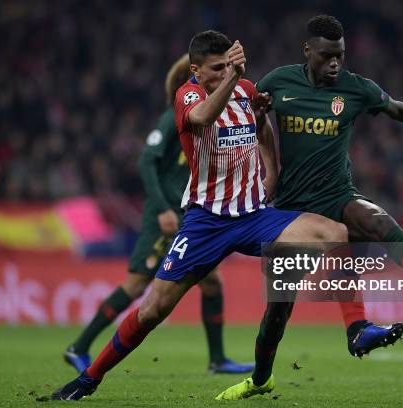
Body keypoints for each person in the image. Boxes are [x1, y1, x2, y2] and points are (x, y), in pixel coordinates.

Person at [51, 30, 349, 401]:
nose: (227, 72)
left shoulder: (245, 89)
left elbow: (260, 127)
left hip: (254, 215)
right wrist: (231, 78)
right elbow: (205, 117)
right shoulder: (188, 96)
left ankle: (349, 327)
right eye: (217, 68)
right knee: (152, 310)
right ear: (196, 70)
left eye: (229, 65)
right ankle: (88, 380)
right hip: (206, 222)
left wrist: (271, 168)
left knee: (335, 232)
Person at [217, 15, 403, 400]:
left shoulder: (354, 88)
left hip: (337, 196)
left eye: (340, 56)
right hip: (292, 214)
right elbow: (247, 114)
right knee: (277, 312)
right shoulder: (279, 82)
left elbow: (396, 108)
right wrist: (256, 121)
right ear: (307, 51)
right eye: (328, 56)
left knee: (376, 221)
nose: (335, 63)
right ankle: (260, 379)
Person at [63, 54, 254, 375]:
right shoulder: (172, 117)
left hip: (186, 215)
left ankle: (218, 359)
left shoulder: (210, 117)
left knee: (212, 284)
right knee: (137, 285)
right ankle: (78, 347)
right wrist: (163, 208)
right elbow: (145, 160)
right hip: (163, 216)